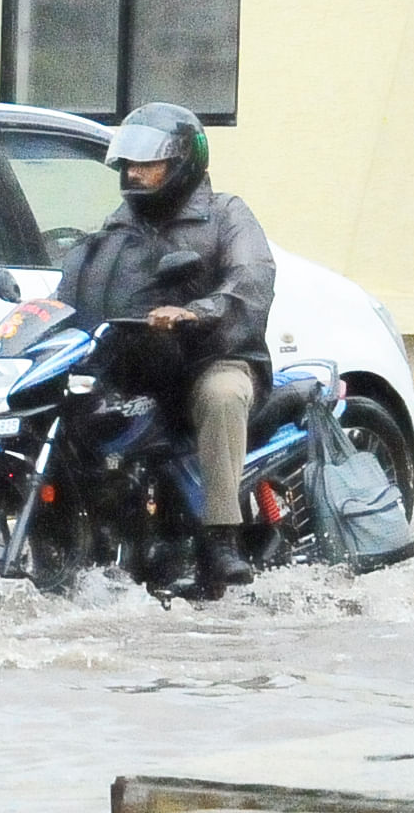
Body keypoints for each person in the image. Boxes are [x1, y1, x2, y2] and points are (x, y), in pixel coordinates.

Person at [54, 102, 276, 599]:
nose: (136, 173)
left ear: (182, 165)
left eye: (149, 163)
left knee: (222, 396)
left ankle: (222, 536)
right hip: (136, 363)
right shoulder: (115, 228)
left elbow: (252, 279)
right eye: (130, 164)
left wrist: (196, 311)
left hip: (210, 358)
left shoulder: (226, 216)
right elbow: (75, 288)